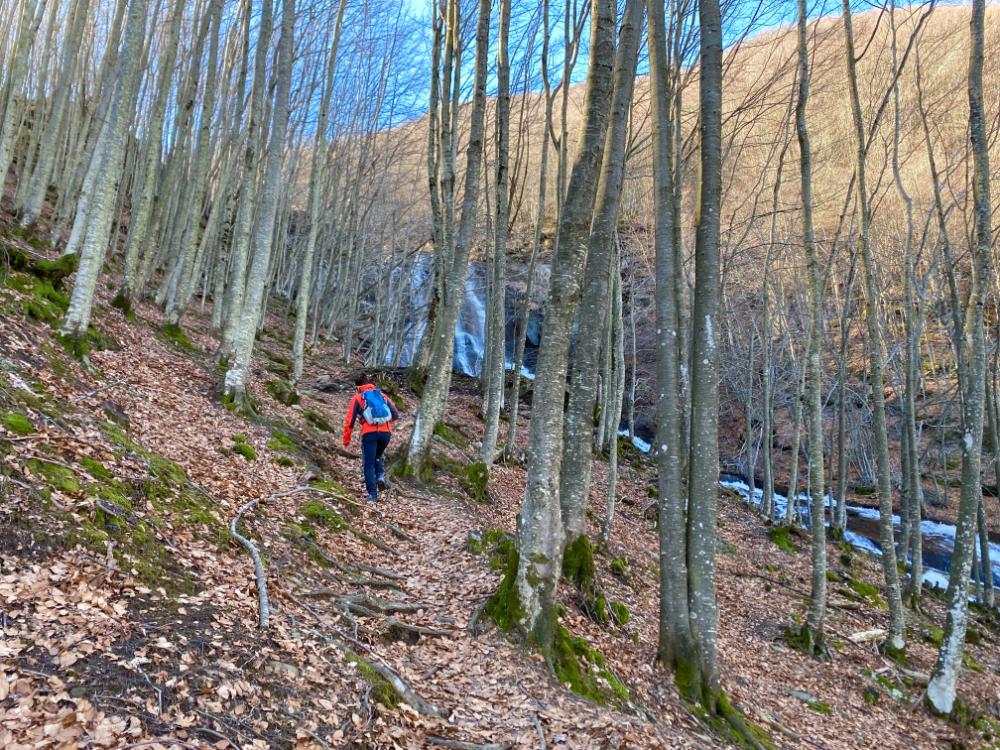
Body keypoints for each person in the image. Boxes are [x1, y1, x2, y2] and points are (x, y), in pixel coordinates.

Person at [342, 372, 400, 503]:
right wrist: (384, 423)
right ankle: (380, 476)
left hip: (369, 434)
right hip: (386, 434)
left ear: (358, 387)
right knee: (378, 456)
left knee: (368, 464)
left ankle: (373, 496)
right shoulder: (382, 395)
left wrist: (346, 440)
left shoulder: (358, 398)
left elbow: (349, 421)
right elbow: (395, 414)